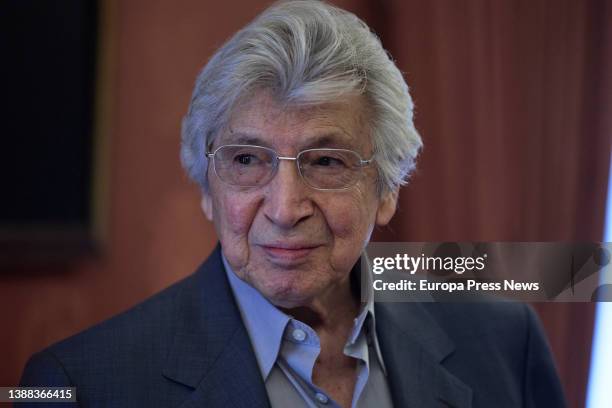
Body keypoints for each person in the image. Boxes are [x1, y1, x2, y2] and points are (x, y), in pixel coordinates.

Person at [21, 1, 566, 407]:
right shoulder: (75, 385)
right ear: (208, 189)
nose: (285, 209)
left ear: (388, 189)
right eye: (247, 161)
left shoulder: (503, 341)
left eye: (326, 162)